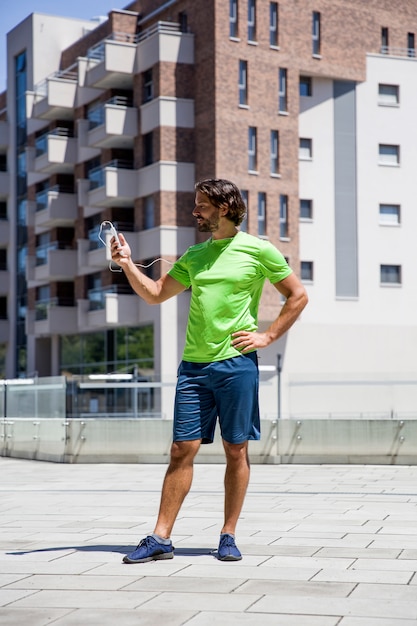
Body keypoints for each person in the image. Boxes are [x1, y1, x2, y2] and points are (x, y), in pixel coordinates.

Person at [111, 178, 308, 564]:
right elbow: (154, 294)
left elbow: (297, 296)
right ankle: (161, 537)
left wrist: (267, 336)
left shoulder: (259, 250)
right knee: (180, 450)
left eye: (201, 205)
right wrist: (126, 264)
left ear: (224, 208)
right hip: (194, 368)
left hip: (237, 365)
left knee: (236, 449)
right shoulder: (195, 255)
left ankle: (228, 534)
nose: (194, 211)